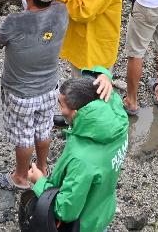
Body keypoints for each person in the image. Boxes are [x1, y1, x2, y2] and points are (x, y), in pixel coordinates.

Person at [0, 0, 69, 191]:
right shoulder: (62, 11)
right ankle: (42, 169)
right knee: (43, 128)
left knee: (23, 135)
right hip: (49, 85)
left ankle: (21, 178)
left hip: (20, 92)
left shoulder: (15, 21)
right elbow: (39, 11)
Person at [25, 70, 129, 232]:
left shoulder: (81, 158)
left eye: (61, 105)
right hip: (102, 211)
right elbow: (108, 89)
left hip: (84, 225)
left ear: (76, 113)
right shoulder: (118, 118)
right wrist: (104, 75)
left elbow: (66, 211)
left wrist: (39, 182)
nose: (59, 109)